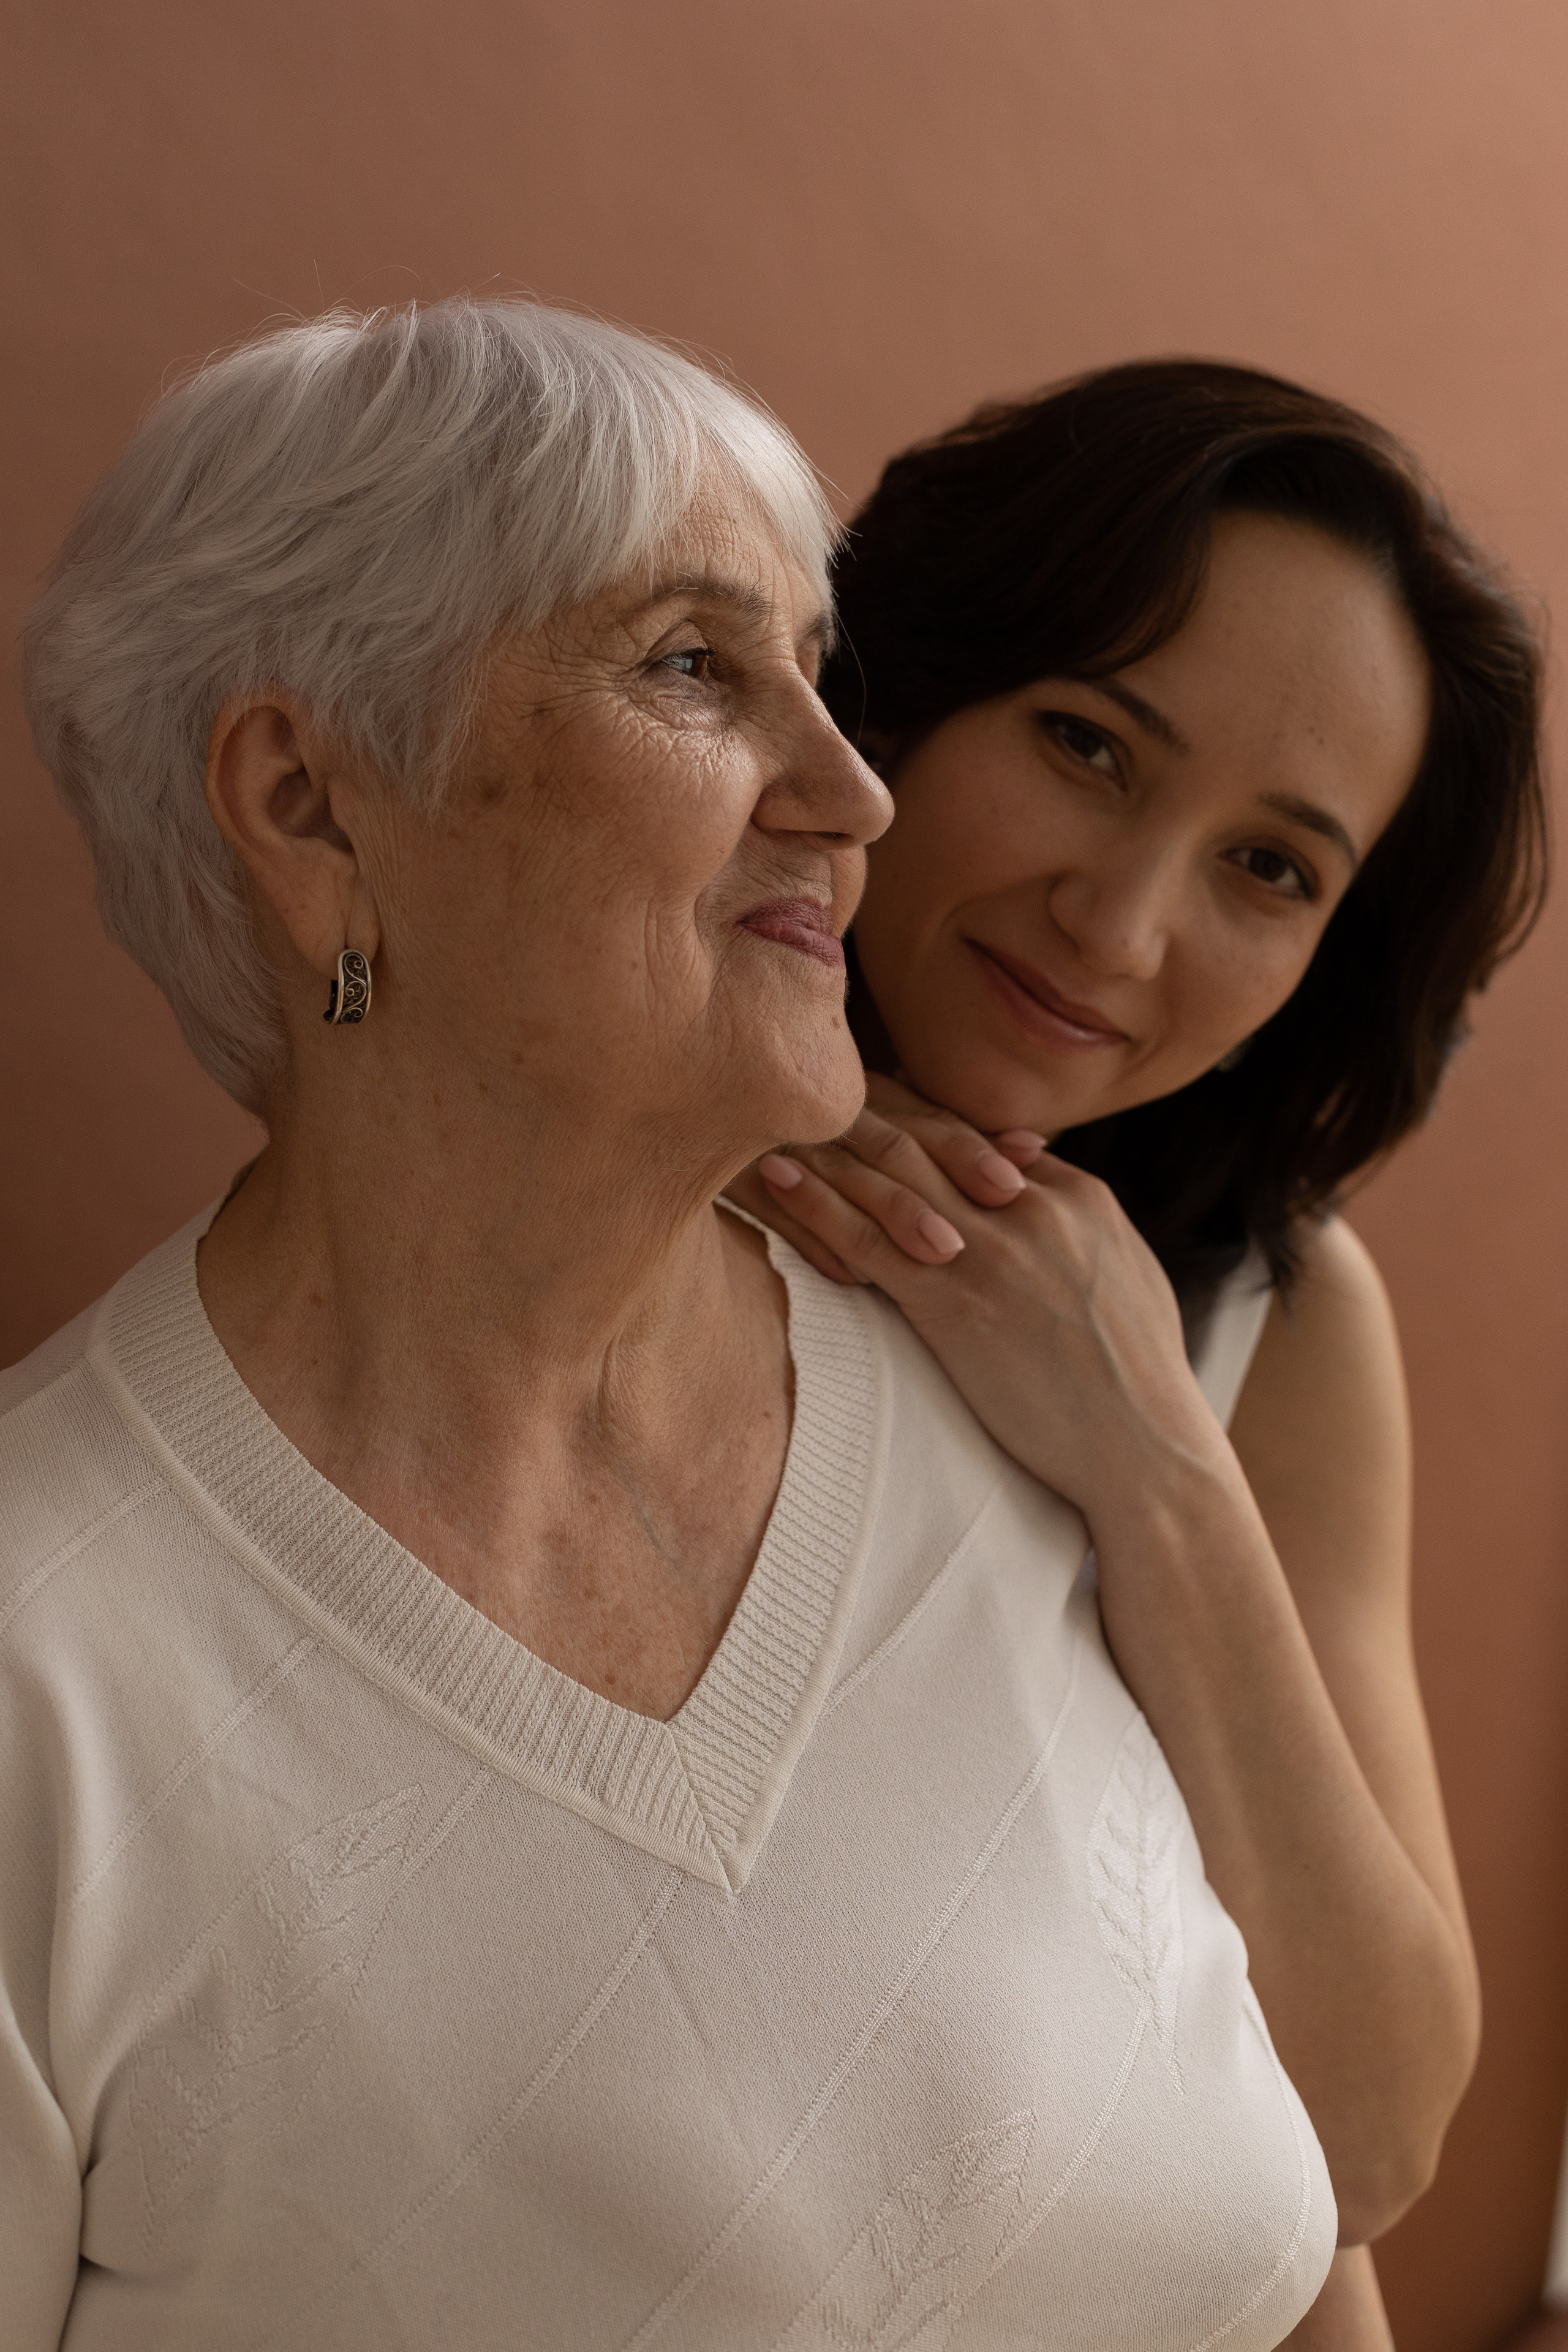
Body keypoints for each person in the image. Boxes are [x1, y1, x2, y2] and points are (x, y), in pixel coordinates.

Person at [2, 304, 1341, 2350]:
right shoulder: (45, 1663)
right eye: (696, 666)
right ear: (310, 805)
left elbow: (1312, 2235)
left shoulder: (1012, 1384)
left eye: (824, 674)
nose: (854, 794)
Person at [738, 361, 1547, 2344]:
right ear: (901, 697)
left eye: (1271, 867)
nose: (1122, 926)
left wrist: (1148, 1447)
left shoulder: (1269, 1310)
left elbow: (1364, 2135)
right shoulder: (591, 1135)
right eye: (1091, 745)